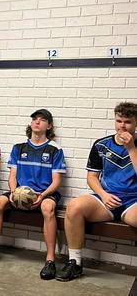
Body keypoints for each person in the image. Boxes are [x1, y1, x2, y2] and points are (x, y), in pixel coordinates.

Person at [0, 109, 66, 280]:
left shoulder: (55, 149)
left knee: (48, 207)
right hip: (20, 192)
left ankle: (50, 260)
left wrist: (41, 196)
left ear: (49, 126)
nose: (37, 122)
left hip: (44, 193)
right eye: (35, 119)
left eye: (42, 120)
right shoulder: (19, 147)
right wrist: (14, 192)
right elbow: (12, 176)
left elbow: (56, 182)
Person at [57, 102, 137, 281]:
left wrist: (131, 148)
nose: (122, 126)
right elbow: (92, 177)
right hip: (106, 198)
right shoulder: (101, 145)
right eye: (119, 121)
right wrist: (103, 194)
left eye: (128, 122)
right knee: (74, 206)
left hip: (133, 201)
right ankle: (75, 263)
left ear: (136, 123)